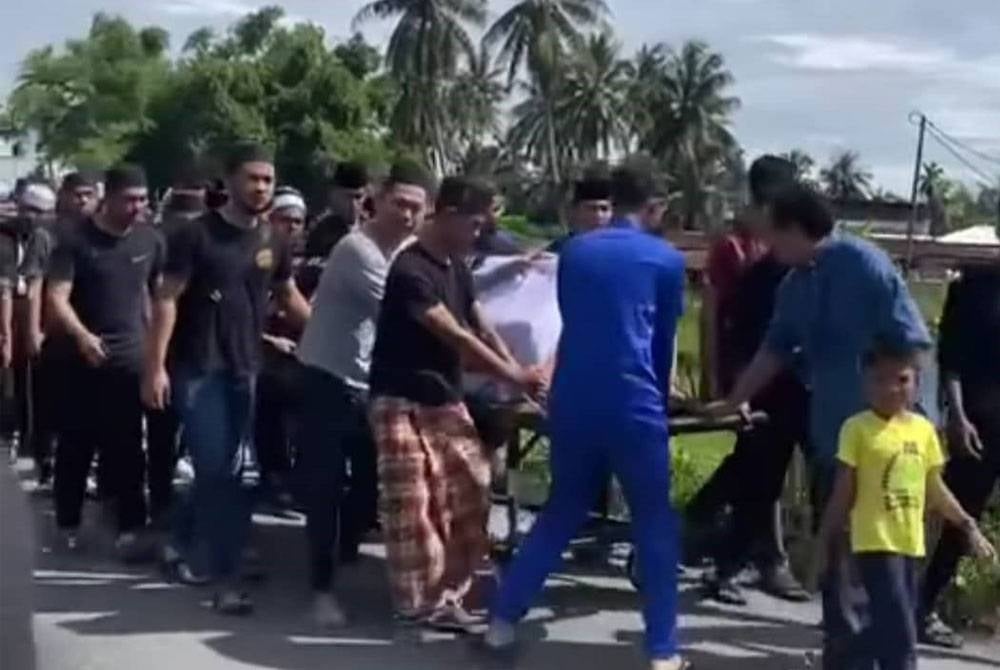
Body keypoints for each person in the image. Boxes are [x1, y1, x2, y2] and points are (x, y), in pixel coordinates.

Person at [706, 183, 932, 669]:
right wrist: (732, 400)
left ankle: (887, 657)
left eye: (773, 235)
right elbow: (774, 350)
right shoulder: (794, 286)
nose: (768, 246)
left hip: (886, 446)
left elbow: (912, 342)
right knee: (837, 555)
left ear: (796, 229)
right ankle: (843, 655)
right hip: (834, 436)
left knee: (886, 566)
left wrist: (904, 424)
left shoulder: (864, 266)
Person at [485, 165, 689, 670]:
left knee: (560, 512)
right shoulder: (665, 259)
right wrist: (661, 401)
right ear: (655, 206)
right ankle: (662, 650)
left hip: (573, 399)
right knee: (654, 522)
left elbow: (573, 323)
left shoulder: (575, 251)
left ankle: (501, 623)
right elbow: (661, 344)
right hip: (634, 403)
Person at [368, 175, 544, 630]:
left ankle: (457, 586)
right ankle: (419, 604)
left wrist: (518, 375)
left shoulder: (456, 265)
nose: (479, 235)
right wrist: (514, 376)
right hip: (399, 399)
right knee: (413, 501)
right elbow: (455, 334)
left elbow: (480, 323)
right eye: (474, 225)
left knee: (473, 481)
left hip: (443, 397)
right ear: (447, 216)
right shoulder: (410, 270)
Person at [142, 142, 311, 615]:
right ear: (231, 180)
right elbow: (166, 299)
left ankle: (179, 542)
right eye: (253, 177)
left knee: (228, 471)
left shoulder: (273, 241)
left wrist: (323, 332)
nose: (261, 187)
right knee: (220, 473)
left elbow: (286, 293)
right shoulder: (196, 236)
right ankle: (225, 575)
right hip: (198, 370)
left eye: (268, 180)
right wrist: (154, 367)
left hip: (246, 369)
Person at [296, 160, 430, 628]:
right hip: (327, 376)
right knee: (325, 485)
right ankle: (321, 588)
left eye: (417, 208)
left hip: (369, 381)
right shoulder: (357, 249)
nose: (407, 215)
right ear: (378, 198)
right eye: (400, 204)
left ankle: (344, 553)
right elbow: (410, 313)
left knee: (373, 482)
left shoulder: (410, 250)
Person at [814, 342, 996, 670]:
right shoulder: (857, 429)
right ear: (865, 382)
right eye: (879, 380)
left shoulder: (923, 431)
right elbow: (843, 491)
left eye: (901, 379)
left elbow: (934, 489)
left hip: (910, 544)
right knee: (902, 632)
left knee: (896, 625)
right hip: (874, 542)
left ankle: (842, 655)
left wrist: (967, 524)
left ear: (917, 382)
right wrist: (826, 541)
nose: (891, 389)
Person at [687, 155, 809, 604]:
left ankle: (726, 546)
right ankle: (727, 554)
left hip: (799, 388)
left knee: (762, 477)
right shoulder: (742, 257)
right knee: (759, 474)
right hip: (763, 384)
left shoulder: (801, 263)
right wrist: (722, 382)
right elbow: (721, 318)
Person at [46, 165, 164, 556]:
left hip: (130, 361)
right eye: (129, 199)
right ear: (108, 198)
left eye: (142, 200)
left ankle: (132, 526)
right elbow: (57, 297)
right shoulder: (76, 241)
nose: (136, 207)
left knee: (129, 447)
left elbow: (159, 297)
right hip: (80, 360)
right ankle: (68, 522)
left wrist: (155, 354)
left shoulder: (150, 240)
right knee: (76, 444)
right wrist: (82, 336)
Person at [918, 262, 1000, 648]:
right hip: (981, 424)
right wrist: (958, 415)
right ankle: (921, 605)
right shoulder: (975, 285)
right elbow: (951, 357)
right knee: (958, 516)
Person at [254, 186, 310, 506]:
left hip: (301, 352)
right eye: (284, 219)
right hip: (261, 354)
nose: (291, 227)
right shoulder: (260, 254)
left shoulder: (310, 262)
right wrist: (270, 340)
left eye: (297, 221)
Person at [304, 161, 369, 262]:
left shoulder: (373, 229)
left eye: (358, 197)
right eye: (347, 197)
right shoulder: (318, 230)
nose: (353, 205)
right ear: (334, 195)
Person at [546, 175, 613, 254]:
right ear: (576, 211)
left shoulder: (619, 247)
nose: (599, 215)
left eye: (604, 209)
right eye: (591, 209)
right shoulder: (562, 248)